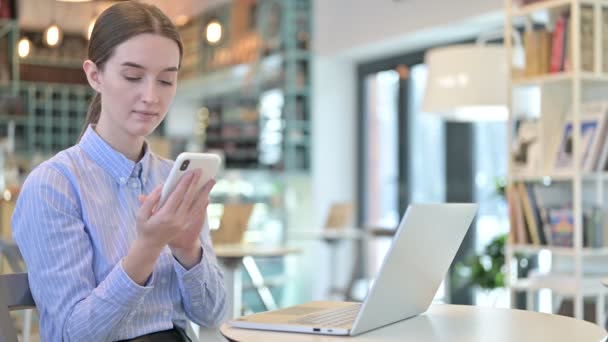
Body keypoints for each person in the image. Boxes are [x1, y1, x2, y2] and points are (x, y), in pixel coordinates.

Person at [11, 2, 227, 341]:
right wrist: (148, 247)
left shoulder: (174, 177)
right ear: (94, 75)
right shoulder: (54, 185)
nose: (151, 96)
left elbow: (213, 314)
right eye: (132, 76)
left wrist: (189, 252)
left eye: (166, 80)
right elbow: (75, 334)